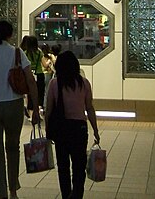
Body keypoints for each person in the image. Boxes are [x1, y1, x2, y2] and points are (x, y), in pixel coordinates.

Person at [0, 21, 40, 199]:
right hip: (12, 105)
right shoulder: (16, 52)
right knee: (12, 148)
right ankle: (13, 191)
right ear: (10, 34)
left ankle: (0, 195)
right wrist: (35, 108)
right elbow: (30, 81)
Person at [45, 51, 99, 199]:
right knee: (79, 166)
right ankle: (77, 195)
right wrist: (95, 130)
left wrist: (47, 129)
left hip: (61, 129)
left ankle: (66, 195)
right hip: (79, 129)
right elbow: (90, 108)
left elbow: (49, 109)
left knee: (63, 167)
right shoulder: (84, 83)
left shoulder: (54, 84)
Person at [23, 36, 45, 115]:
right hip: (39, 74)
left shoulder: (25, 53)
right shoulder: (39, 52)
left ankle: (31, 113)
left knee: (30, 93)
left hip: (29, 75)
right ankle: (39, 110)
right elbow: (44, 64)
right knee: (40, 92)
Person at [41, 43, 56, 108]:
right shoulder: (51, 56)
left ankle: (44, 105)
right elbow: (55, 62)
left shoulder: (41, 56)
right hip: (49, 74)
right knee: (48, 91)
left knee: (44, 91)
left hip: (42, 74)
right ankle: (48, 105)